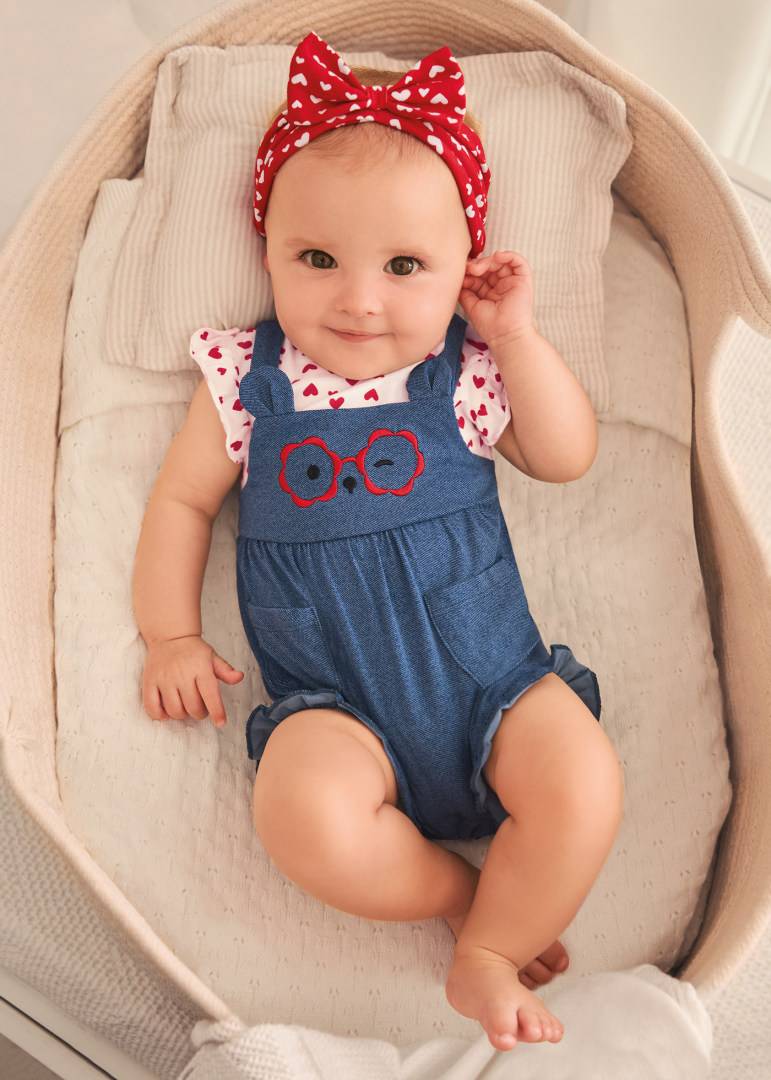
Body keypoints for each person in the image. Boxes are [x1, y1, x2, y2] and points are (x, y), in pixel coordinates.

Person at [132, 29, 624, 1053]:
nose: (358, 298)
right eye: (316, 259)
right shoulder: (245, 379)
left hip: (495, 687)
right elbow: (180, 504)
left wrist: (516, 338)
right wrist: (170, 635)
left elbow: (566, 456)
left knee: (583, 782)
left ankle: (488, 952)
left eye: (405, 266)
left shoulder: (468, 370)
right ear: (267, 252)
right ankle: (454, 891)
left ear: (461, 270)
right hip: (336, 711)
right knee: (299, 817)